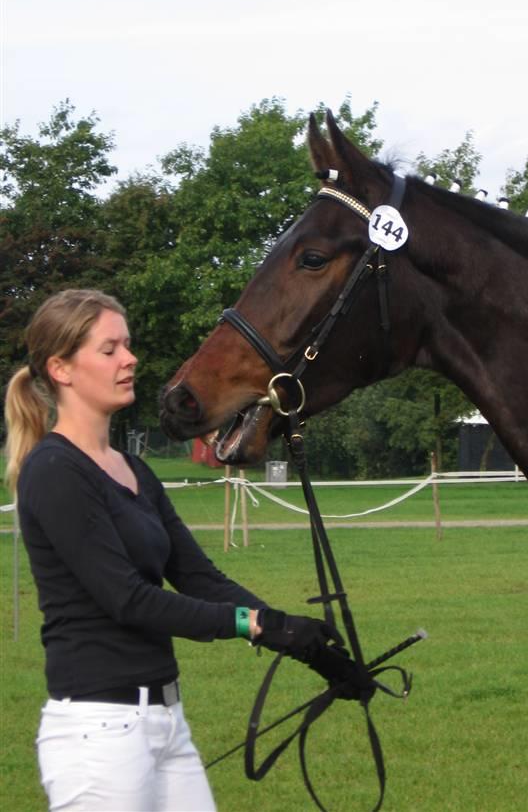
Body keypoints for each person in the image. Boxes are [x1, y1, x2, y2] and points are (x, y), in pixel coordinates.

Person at [4, 289, 353, 812]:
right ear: (62, 368)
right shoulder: (55, 471)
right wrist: (253, 625)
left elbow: (197, 574)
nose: (130, 359)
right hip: (97, 736)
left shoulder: (134, 470)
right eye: (109, 350)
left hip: (165, 721)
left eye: (128, 345)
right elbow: (129, 599)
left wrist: (299, 640)